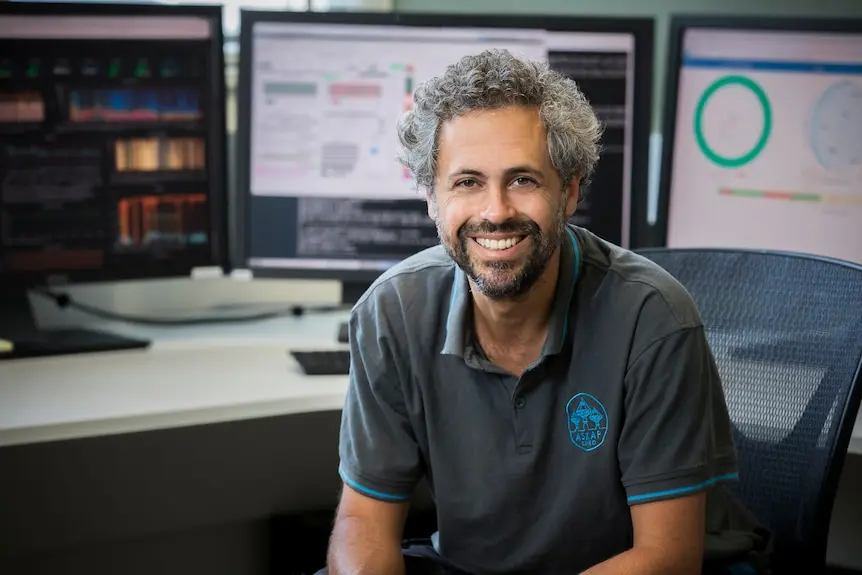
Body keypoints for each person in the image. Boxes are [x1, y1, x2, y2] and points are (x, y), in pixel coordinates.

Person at [318, 49, 770, 575]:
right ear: (431, 198)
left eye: (523, 180)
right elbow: (363, 524)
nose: (495, 211)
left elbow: (666, 557)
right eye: (467, 182)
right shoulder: (391, 314)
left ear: (570, 189)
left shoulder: (654, 318)